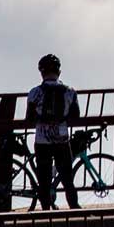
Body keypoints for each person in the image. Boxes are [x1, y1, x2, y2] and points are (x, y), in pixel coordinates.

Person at [25, 53, 81, 209]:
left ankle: (45, 212)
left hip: (42, 140)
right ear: (59, 72)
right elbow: (75, 116)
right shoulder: (70, 91)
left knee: (44, 179)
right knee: (67, 178)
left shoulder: (35, 92)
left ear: (41, 72)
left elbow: (29, 118)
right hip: (62, 139)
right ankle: (74, 208)